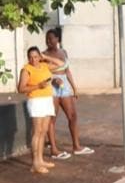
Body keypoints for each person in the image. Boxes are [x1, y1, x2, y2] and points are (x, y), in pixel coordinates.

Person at [43, 28, 92, 159]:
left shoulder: (63, 52)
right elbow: (43, 73)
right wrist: (53, 79)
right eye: (47, 39)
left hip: (64, 85)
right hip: (51, 86)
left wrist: (74, 87)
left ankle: (76, 146)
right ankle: (54, 149)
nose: (48, 41)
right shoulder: (43, 55)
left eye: (51, 38)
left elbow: (67, 70)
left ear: (57, 39)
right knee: (52, 118)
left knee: (73, 116)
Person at [18, 46, 60, 174]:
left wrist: (45, 57)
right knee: (37, 131)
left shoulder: (44, 65)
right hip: (36, 101)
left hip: (47, 99)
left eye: (36, 56)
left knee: (44, 131)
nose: (33, 59)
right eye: (30, 57)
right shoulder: (26, 70)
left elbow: (61, 64)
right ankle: (35, 163)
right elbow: (21, 89)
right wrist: (38, 86)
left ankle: (40, 160)